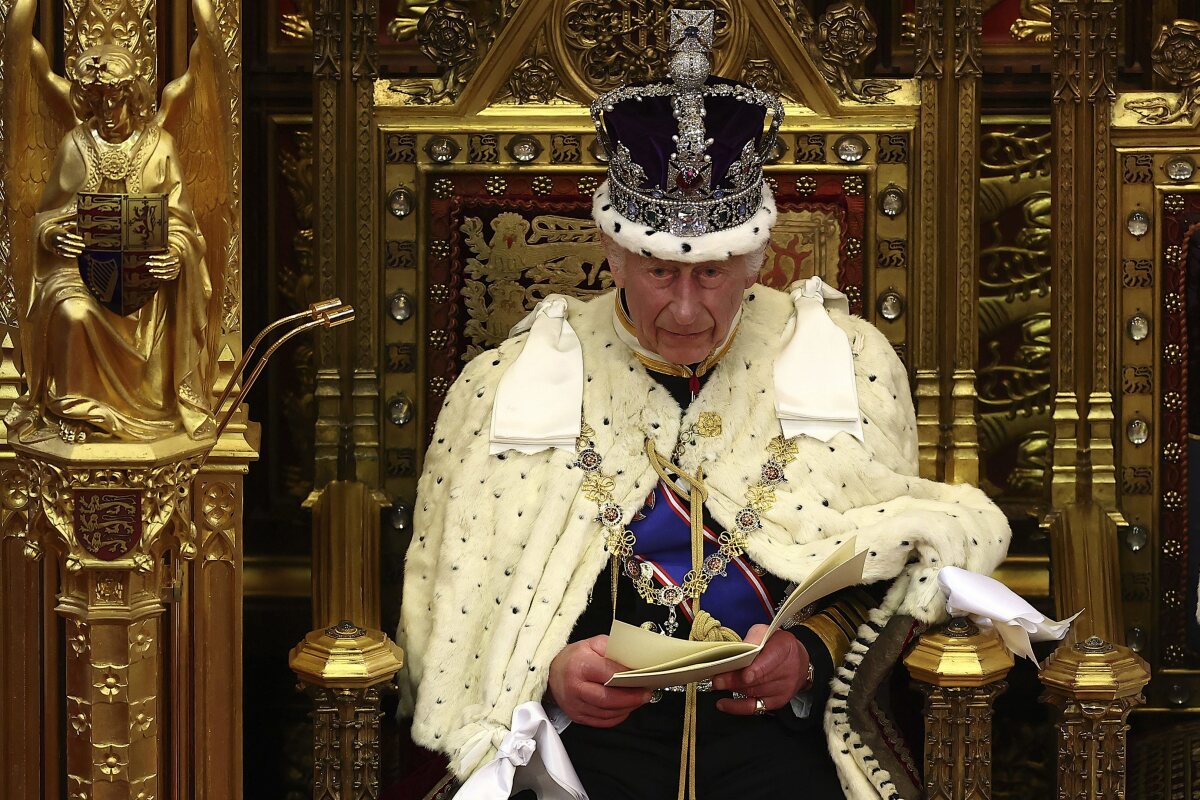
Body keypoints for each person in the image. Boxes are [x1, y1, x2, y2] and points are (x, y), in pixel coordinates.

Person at [398, 11, 1010, 799]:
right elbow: (467, 600)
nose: (686, 309)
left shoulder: (845, 364)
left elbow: (890, 557)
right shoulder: (507, 382)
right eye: (658, 271)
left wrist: (812, 654)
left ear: (757, 259)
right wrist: (552, 671)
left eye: (713, 274)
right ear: (613, 253)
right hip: (582, 758)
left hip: (781, 751)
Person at [8, 43, 217, 444]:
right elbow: (46, 216)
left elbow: (182, 222)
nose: (108, 113)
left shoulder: (161, 146)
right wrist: (53, 235)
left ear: (133, 97)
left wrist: (175, 253)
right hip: (81, 275)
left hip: (147, 284)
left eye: (116, 100)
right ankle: (78, 410)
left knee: (155, 305)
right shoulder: (75, 145)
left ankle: (155, 405)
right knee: (71, 312)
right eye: (97, 102)